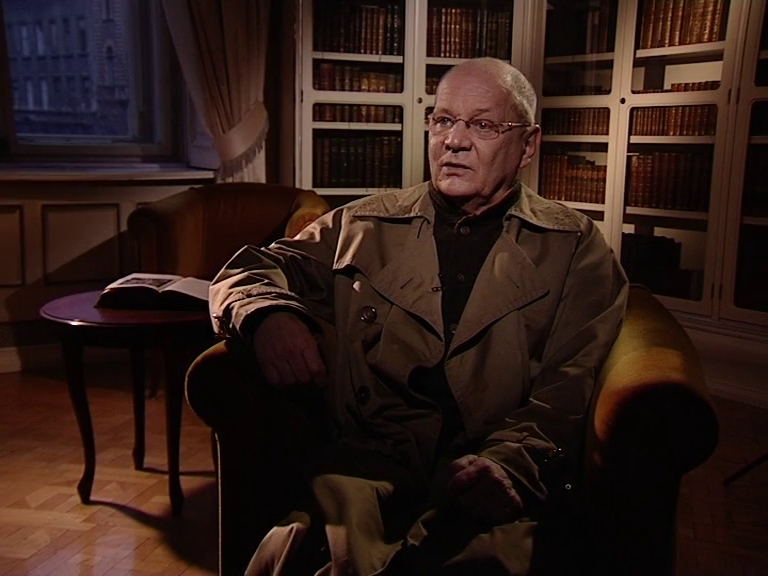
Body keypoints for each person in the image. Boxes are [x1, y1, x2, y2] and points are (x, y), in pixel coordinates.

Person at [209, 57, 628, 575]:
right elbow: (249, 269)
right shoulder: (363, 224)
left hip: (488, 473)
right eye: (443, 120)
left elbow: (569, 385)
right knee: (306, 551)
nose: (454, 141)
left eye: (482, 125)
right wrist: (267, 315)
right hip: (365, 468)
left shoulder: (573, 246)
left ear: (527, 145)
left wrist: (510, 465)